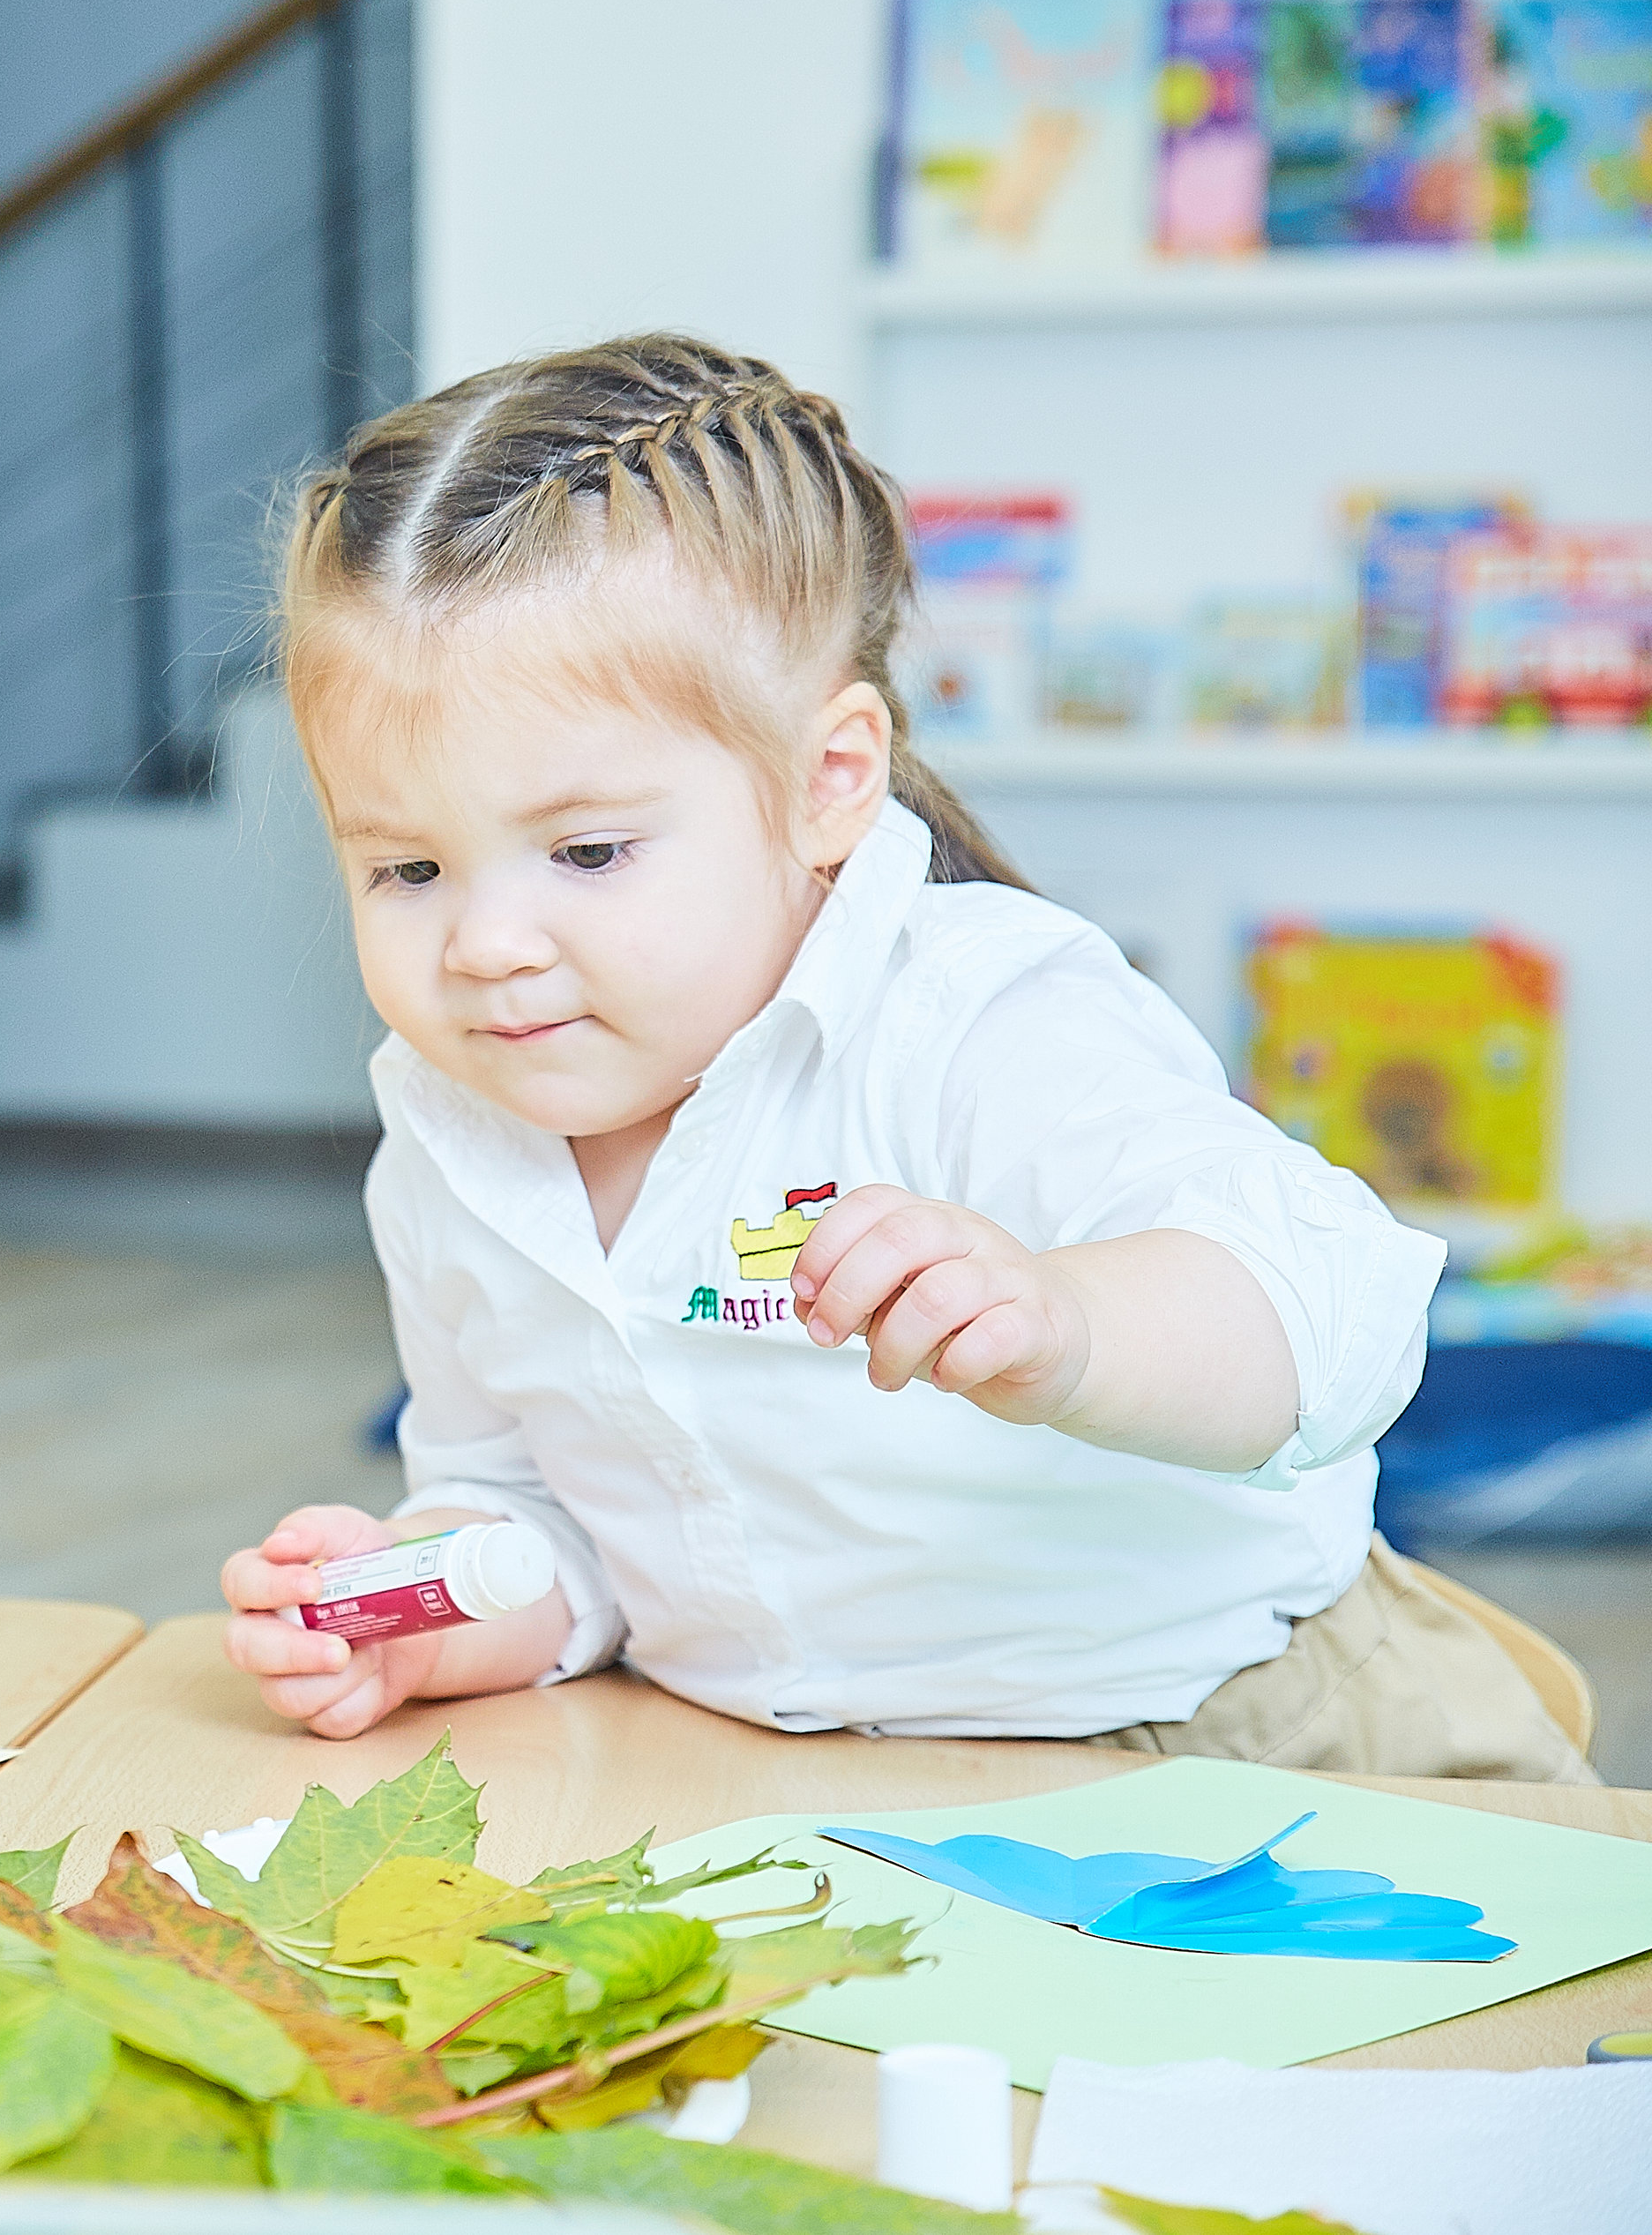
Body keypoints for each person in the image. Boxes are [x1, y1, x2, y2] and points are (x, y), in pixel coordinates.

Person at [219, 334, 1592, 1785]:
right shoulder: (445, 1130)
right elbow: (535, 1502)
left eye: (588, 851)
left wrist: (1069, 1321)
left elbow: (1333, 1311)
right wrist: (434, 1604)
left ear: (828, 785)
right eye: (408, 868)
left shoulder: (979, 1018)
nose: (487, 942)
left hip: (1247, 1738)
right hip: (812, 1778)